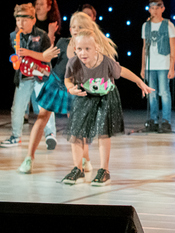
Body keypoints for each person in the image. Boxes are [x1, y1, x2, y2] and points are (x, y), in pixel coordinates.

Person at [61, 23, 153, 186]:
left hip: (105, 97)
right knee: (76, 131)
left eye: (87, 49)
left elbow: (122, 71)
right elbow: (67, 79)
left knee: (103, 132)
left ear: (96, 48)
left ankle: (104, 170)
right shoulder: (73, 63)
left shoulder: (106, 62)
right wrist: (70, 89)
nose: (83, 53)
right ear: (75, 49)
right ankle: (77, 169)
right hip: (84, 96)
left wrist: (139, 81)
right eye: (80, 49)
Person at [20, 13, 76, 175]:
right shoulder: (63, 42)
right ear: (70, 29)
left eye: (81, 27)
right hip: (56, 82)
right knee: (42, 117)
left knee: (76, 122)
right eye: (74, 27)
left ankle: (82, 160)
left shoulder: (89, 46)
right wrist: (50, 36)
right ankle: (29, 158)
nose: (77, 30)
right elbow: (48, 55)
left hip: (74, 86)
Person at [0, 3, 58, 149]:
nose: (21, 23)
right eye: (18, 20)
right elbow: (13, 55)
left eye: (25, 20)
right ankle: (16, 136)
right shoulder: (13, 36)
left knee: (44, 106)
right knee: (18, 107)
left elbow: (47, 57)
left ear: (33, 20)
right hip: (23, 76)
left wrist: (28, 53)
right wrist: (15, 59)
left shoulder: (42, 35)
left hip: (41, 75)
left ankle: (50, 134)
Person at [141, 0, 175, 133]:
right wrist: (143, 66)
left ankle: (166, 121)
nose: (154, 11)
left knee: (164, 93)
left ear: (162, 9)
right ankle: (153, 120)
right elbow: (144, 47)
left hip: (163, 64)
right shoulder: (146, 25)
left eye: (157, 8)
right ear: (149, 10)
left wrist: (172, 67)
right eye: (152, 8)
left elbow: (173, 47)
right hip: (151, 64)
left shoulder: (168, 25)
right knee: (152, 94)